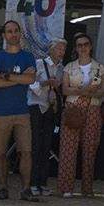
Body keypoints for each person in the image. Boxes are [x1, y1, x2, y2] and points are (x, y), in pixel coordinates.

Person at [0, 20, 39, 201]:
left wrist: (6, 75)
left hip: (22, 111)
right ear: (4, 36)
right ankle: (3, 188)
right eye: (9, 31)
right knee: (0, 152)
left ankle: (26, 189)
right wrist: (19, 78)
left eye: (16, 31)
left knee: (26, 151)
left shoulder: (28, 57)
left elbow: (31, 79)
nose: (13, 34)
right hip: (0, 112)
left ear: (20, 34)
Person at [57, 33, 104, 197]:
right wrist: (85, 91)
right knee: (68, 148)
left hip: (92, 108)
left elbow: (103, 91)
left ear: (90, 46)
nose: (83, 47)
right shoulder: (69, 67)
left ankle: (87, 188)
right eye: (79, 45)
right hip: (73, 108)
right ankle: (66, 188)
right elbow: (65, 90)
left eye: (85, 44)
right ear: (76, 48)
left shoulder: (99, 67)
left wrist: (82, 92)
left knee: (90, 148)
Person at [28, 37, 65, 197]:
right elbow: (30, 83)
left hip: (50, 107)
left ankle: (42, 183)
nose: (61, 52)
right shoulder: (39, 64)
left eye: (63, 49)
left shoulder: (61, 68)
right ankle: (32, 183)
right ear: (51, 49)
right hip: (36, 107)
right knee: (35, 145)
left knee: (46, 145)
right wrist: (44, 83)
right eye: (59, 49)